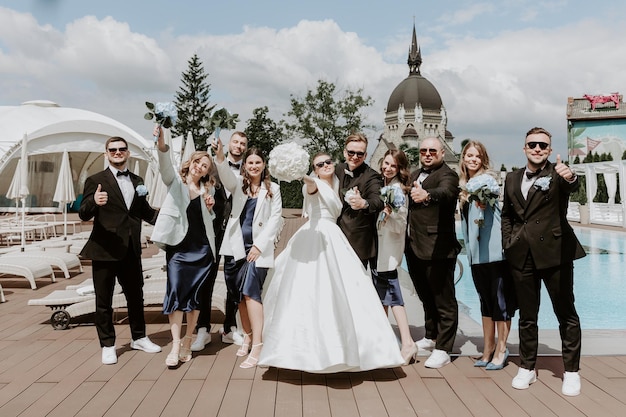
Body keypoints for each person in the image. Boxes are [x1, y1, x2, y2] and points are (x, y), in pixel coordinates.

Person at [259, 152, 404, 372]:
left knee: (347, 290)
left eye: (328, 162)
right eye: (320, 164)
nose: (326, 165)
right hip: (315, 236)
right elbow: (309, 185)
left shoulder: (338, 182)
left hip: (335, 237)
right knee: (310, 291)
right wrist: (300, 174)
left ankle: (355, 348)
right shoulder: (313, 183)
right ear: (314, 169)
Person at [502, 127, 585, 396]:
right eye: (532, 144)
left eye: (542, 145)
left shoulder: (558, 174)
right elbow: (507, 215)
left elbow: (574, 185)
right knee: (527, 316)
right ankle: (527, 367)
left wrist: (570, 175)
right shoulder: (512, 178)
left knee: (566, 314)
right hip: (521, 255)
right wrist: (509, 243)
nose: (537, 149)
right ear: (524, 148)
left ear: (549, 150)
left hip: (555, 253)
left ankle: (571, 371)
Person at [79, 136, 161, 365]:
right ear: (106, 153)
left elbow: (144, 211)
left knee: (136, 297)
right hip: (104, 249)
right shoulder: (95, 180)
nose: (117, 152)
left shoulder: (137, 180)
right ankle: (107, 345)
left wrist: (169, 221)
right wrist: (94, 201)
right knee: (103, 301)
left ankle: (139, 337)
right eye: (112, 150)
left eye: (121, 149)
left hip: (131, 249)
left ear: (128, 153)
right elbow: (84, 213)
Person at [150, 126, 217, 367]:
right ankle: (175, 344)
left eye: (206, 166)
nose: (201, 167)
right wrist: (162, 144)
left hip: (202, 251)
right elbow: (165, 166)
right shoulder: (175, 183)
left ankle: (189, 340)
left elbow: (209, 222)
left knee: (196, 299)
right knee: (177, 295)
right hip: (178, 250)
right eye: (199, 162)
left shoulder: (207, 191)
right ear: (191, 163)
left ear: (208, 172)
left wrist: (210, 209)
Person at [214, 138, 283, 368]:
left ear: (264, 165)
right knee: (238, 296)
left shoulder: (273, 189)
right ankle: (247, 335)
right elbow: (223, 173)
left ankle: (258, 345)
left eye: (257, 162)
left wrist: (259, 246)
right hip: (235, 248)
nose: (253, 166)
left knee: (251, 292)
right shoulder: (238, 185)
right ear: (245, 165)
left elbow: (275, 220)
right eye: (250, 162)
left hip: (257, 250)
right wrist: (221, 154)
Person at [458, 141, 516, 370]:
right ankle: (487, 348)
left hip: (494, 253)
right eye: (469, 155)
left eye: (477, 156)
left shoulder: (487, 182)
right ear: (463, 158)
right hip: (475, 254)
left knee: (500, 303)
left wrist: (483, 199)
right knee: (485, 302)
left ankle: (502, 349)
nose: (473, 159)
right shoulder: (464, 185)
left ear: (483, 159)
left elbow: (491, 198)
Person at [404, 137, 461, 369]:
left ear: (441, 152)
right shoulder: (415, 174)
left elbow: (446, 192)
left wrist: (428, 196)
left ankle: (444, 348)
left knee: (443, 299)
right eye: (424, 151)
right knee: (425, 295)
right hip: (414, 244)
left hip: (438, 246)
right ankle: (431, 335)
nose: (427, 154)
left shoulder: (448, 175)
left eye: (432, 151)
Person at [192, 131, 248, 351]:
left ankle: (229, 327)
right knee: (206, 279)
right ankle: (203, 329)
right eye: (236, 141)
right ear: (228, 144)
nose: (239, 146)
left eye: (243, 143)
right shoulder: (210, 167)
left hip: (236, 232)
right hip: (211, 231)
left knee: (234, 281)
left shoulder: (249, 168)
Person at [375, 149, 417, 365]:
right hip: (380, 249)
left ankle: (408, 342)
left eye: (393, 165)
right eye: (386, 164)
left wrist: (387, 213)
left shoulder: (398, 190)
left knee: (392, 294)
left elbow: (400, 225)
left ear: (400, 169)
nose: (387, 168)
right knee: (383, 294)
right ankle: (382, 341)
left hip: (389, 248)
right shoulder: (385, 186)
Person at [335, 133, 384, 270]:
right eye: (351, 152)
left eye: (359, 154)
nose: (355, 157)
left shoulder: (372, 176)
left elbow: (378, 200)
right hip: (333, 239)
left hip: (358, 242)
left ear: (365, 156)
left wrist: (364, 203)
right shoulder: (337, 170)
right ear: (345, 152)